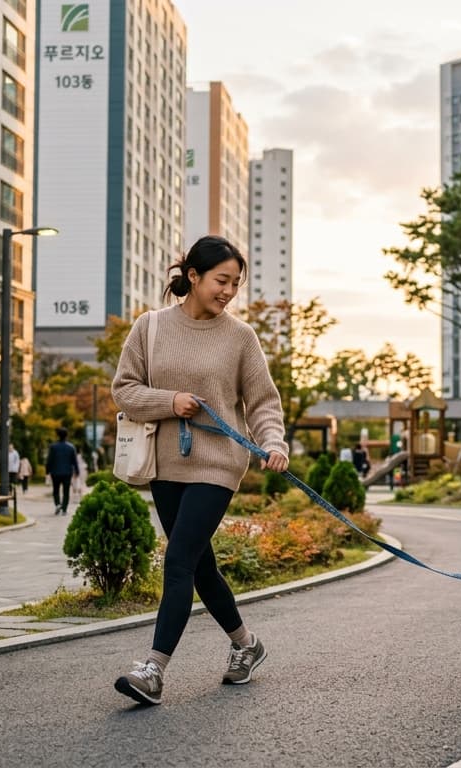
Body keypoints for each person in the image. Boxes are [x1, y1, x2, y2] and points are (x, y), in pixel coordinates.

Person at [110, 235, 289, 707]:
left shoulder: (240, 337)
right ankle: (247, 645)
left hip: (219, 462)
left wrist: (273, 443)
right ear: (193, 275)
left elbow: (263, 401)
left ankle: (153, 669)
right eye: (221, 280)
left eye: (236, 283)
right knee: (199, 566)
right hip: (165, 463)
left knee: (178, 560)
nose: (229, 291)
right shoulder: (149, 327)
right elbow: (124, 390)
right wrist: (170, 401)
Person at [45, 427, 78, 515]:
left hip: (55, 472)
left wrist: (47, 471)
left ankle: (57, 504)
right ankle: (64, 509)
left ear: (58, 435)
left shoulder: (53, 447)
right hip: (67, 472)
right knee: (66, 491)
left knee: (56, 490)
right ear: (66, 435)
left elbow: (49, 460)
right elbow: (74, 461)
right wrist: (77, 472)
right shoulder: (71, 447)